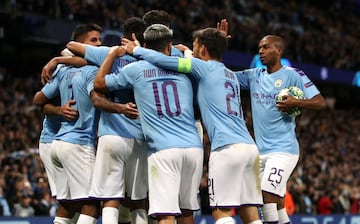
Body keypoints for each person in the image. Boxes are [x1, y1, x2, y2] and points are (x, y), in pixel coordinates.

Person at [122, 27, 263, 224]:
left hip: (226, 149)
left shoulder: (201, 68)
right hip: (249, 148)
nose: (191, 49)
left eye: (195, 46)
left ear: (203, 49)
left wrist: (136, 50)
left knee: (220, 212)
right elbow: (201, 58)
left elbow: (163, 60)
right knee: (249, 211)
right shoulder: (230, 74)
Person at [94, 24, 204, 224]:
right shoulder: (188, 69)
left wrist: (112, 54)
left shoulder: (135, 69)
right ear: (169, 46)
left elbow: (99, 84)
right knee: (186, 211)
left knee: (166, 214)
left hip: (163, 150)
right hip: (194, 148)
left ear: (144, 45)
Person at [235, 35, 327, 224]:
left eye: (266, 47)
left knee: (267, 193)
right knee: (277, 203)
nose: (261, 51)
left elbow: (320, 102)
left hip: (284, 150)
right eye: (259, 47)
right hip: (261, 153)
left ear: (279, 50)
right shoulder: (254, 76)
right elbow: (225, 76)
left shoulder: (293, 75)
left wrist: (297, 102)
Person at [66, 17, 149, 224]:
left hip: (111, 135)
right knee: (137, 201)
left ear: (124, 38)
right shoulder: (149, 60)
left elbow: (72, 46)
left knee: (109, 199)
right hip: (140, 138)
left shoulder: (106, 53)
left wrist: (59, 59)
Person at [33, 23, 102, 224]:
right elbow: (39, 100)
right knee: (90, 203)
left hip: (60, 141)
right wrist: (59, 110)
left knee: (69, 203)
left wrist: (57, 59)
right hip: (62, 140)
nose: (99, 44)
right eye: (93, 40)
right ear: (79, 46)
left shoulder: (64, 66)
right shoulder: (67, 69)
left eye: (99, 40)